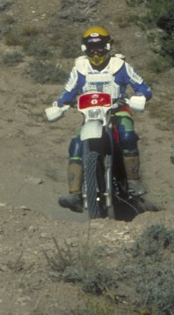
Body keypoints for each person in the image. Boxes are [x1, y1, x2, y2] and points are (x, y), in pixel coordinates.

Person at [45, 25, 152, 212]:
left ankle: (134, 182)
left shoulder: (120, 67)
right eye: (92, 47)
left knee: (127, 135)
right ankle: (75, 194)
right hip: (91, 117)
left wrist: (139, 97)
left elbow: (143, 87)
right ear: (85, 48)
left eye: (100, 46)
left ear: (108, 47)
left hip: (118, 112)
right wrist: (60, 105)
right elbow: (68, 92)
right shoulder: (79, 69)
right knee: (76, 145)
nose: (96, 51)